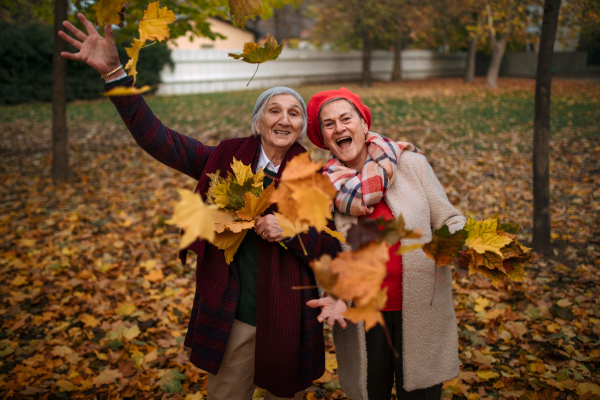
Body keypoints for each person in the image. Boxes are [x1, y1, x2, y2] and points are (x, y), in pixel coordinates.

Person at [59, 14, 341, 400]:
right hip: (234, 313)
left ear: (300, 129)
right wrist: (114, 74)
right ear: (258, 122)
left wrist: (291, 232)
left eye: (294, 113)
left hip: (287, 315)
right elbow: (159, 139)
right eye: (274, 110)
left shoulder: (314, 177)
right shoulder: (224, 157)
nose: (284, 119)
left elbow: (330, 246)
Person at [305, 88, 466, 400]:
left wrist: (461, 243)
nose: (339, 128)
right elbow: (323, 256)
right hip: (362, 316)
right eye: (328, 124)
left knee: (420, 395)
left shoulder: (411, 165)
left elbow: (448, 217)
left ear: (363, 124)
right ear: (323, 140)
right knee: (370, 394)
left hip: (420, 308)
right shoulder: (321, 188)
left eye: (345, 118)